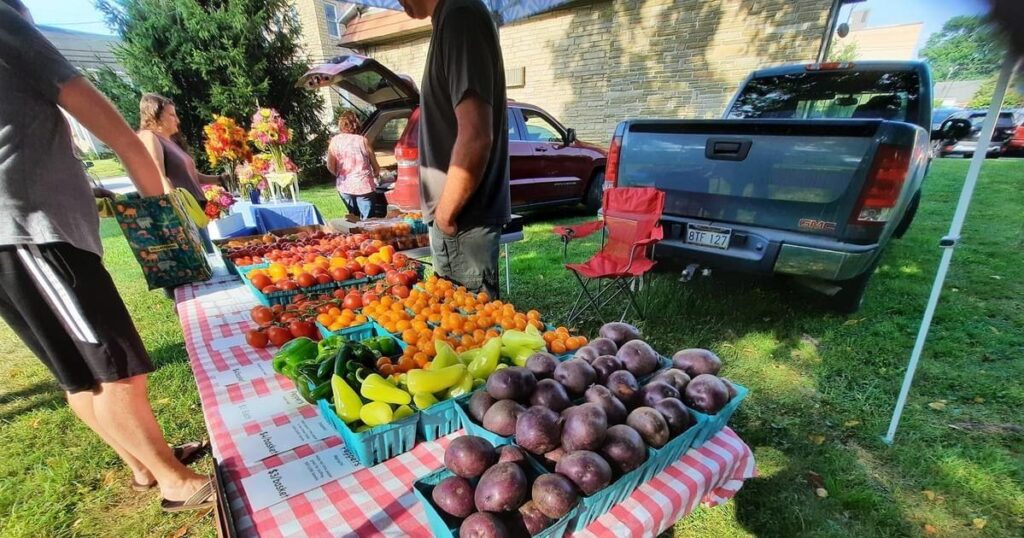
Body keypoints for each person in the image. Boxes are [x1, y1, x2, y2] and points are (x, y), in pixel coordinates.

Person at [0, 0, 215, 512]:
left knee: (76, 369)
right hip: (34, 232)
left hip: (20, 234)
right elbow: (86, 101)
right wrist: (153, 197)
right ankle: (174, 481)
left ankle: (143, 466)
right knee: (112, 365)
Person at [398, 0, 510, 298]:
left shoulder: (461, 16)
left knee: (467, 338)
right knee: (457, 337)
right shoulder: (451, 17)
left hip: (462, 223)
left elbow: (476, 137)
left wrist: (445, 215)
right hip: (458, 225)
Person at [136, 93, 226, 253]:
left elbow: (192, 176)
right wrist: (176, 210)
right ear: (155, 115)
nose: (177, 120)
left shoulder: (171, 140)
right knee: (201, 256)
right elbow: (158, 174)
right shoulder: (150, 136)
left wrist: (221, 179)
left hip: (196, 206)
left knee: (209, 255)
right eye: (171, 115)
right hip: (182, 210)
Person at [327, 110, 380, 219]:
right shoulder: (363, 141)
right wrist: (376, 173)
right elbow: (375, 166)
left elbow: (330, 165)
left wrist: (338, 174)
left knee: (353, 219)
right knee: (368, 221)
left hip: (344, 186)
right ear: (356, 124)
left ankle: (356, 234)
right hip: (363, 186)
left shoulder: (334, 141)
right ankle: (368, 234)